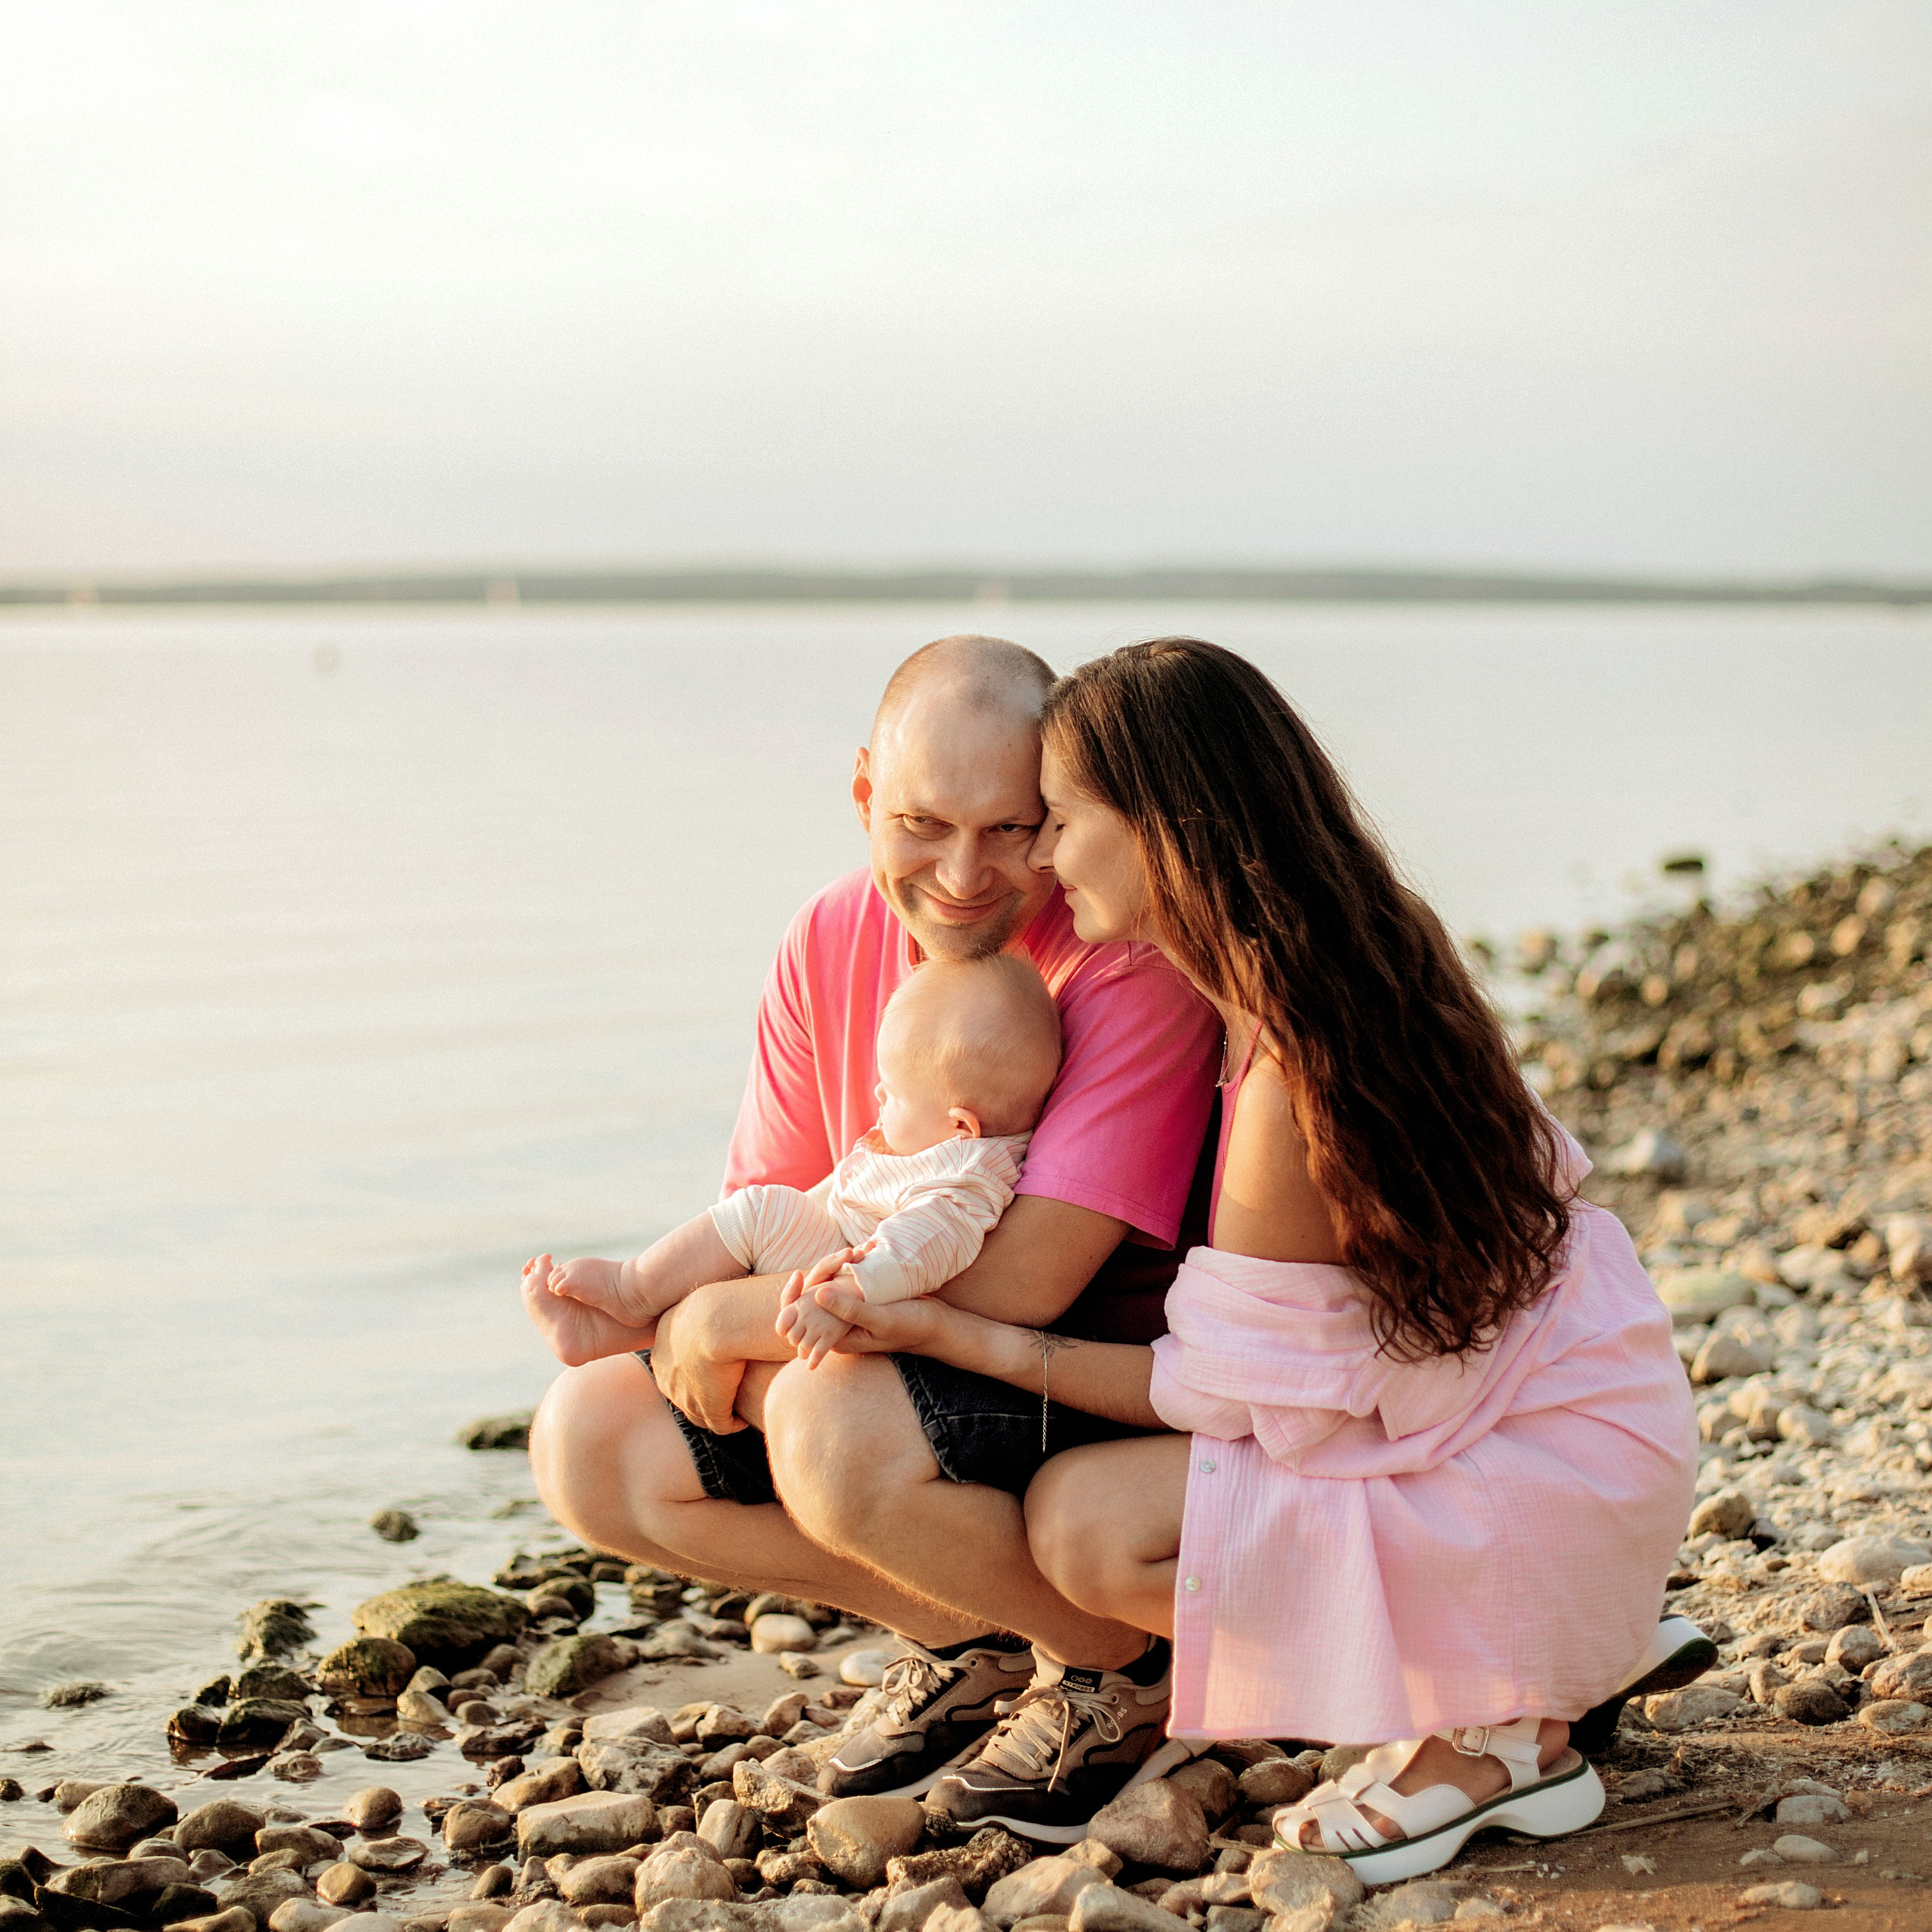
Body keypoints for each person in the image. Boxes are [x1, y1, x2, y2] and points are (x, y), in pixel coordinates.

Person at [798, 637, 1701, 1866]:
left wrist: (948, 1333)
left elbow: (1213, 1400)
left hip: (1550, 1462)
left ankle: (1501, 1733)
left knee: (1092, 1525)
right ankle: (1545, 1642)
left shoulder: (1289, 1072)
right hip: (1578, 1413)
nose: (1048, 860)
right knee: (1125, 1500)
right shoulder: (1339, 953)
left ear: (1164, 826)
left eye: (1059, 822)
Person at [528, 633, 1221, 1817]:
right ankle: (972, 1641)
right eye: (923, 824)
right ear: (863, 793)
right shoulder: (827, 937)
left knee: (826, 1413)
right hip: (895, 1353)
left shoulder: (1121, 960)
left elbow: (1019, 1289)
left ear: (1057, 816)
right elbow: (779, 1211)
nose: (964, 875)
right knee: (588, 1439)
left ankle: (1117, 1666)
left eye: (1011, 828)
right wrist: (651, 1306)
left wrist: (707, 1314)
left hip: (1098, 1389)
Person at [521, 952, 1063, 1369]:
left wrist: (847, 1293)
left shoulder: (966, 1178)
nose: (877, 1098)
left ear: (961, 1125)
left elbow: (925, 1243)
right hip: (835, 1253)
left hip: (840, 1272)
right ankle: (609, 1335)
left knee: (760, 1213)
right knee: (743, 1246)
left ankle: (631, 1288)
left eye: (893, 1095)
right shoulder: (951, 1151)